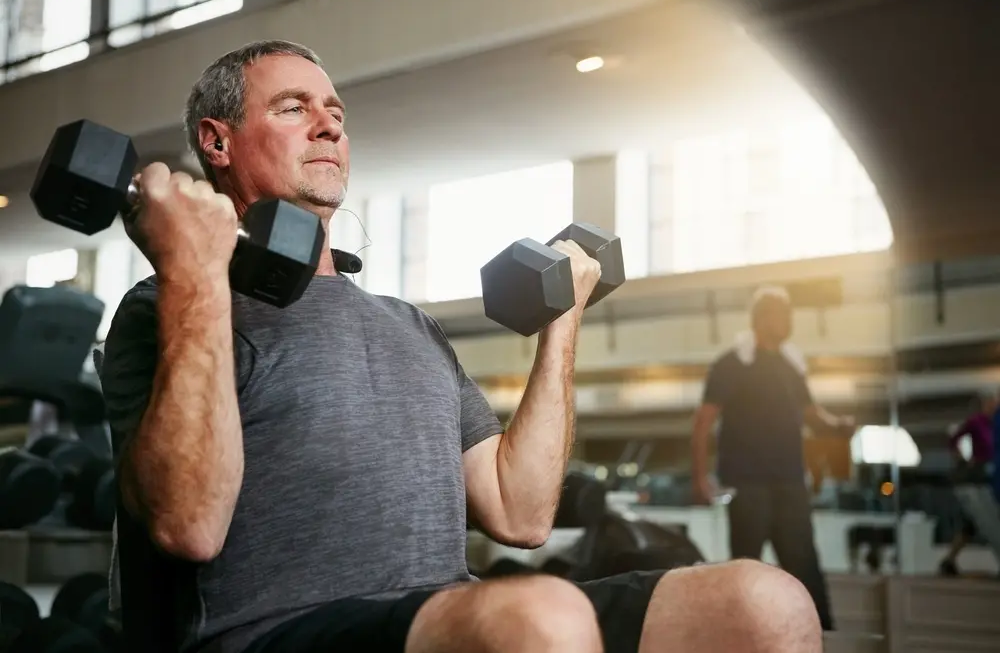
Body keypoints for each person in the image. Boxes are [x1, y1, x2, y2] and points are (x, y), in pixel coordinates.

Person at [99, 40, 822, 653]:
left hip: (435, 614)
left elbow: (522, 510)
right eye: (294, 107)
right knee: (541, 615)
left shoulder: (408, 325)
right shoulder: (171, 306)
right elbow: (187, 523)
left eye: (337, 113)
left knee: (764, 602)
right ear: (216, 141)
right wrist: (194, 271)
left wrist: (561, 321)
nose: (329, 127)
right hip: (272, 631)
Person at [691, 286, 855, 632]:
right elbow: (703, 422)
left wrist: (838, 425)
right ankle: (741, 637)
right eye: (783, 313)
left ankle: (822, 634)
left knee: (805, 564)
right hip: (747, 483)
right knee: (746, 570)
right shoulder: (731, 363)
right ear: (762, 318)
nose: (789, 320)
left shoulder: (791, 366)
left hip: (790, 483)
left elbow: (812, 414)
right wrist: (701, 478)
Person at [940, 393, 997, 576]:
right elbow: (954, 439)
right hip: (980, 473)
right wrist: (963, 460)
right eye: (992, 402)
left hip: (993, 473)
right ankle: (949, 560)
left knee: (971, 524)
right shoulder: (976, 422)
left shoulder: (995, 423)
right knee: (980, 519)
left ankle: (949, 560)